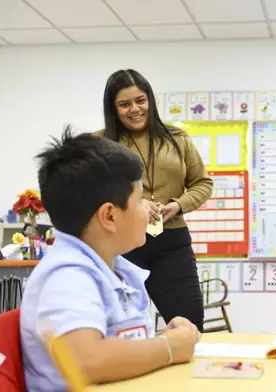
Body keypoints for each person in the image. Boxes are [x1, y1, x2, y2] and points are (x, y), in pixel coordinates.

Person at [20, 129, 200, 391]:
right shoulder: (67, 276)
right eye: (140, 202)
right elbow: (85, 360)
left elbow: (117, 346)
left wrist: (166, 337)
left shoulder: (118, 270)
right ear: (110, 216)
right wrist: (169, 347)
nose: (148, 212)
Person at [95, 69, 213, 331]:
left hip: (171, 243)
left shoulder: (177, 138)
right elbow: (89, 191)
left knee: (190, 324)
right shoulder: (100, 143)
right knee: (120, 327)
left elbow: (203, 183)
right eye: (124, 104)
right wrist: (132, 204)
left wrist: (179, 204)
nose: (134, 109)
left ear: (150, 100)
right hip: (120, 247)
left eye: (140, 100)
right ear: (113, 108)